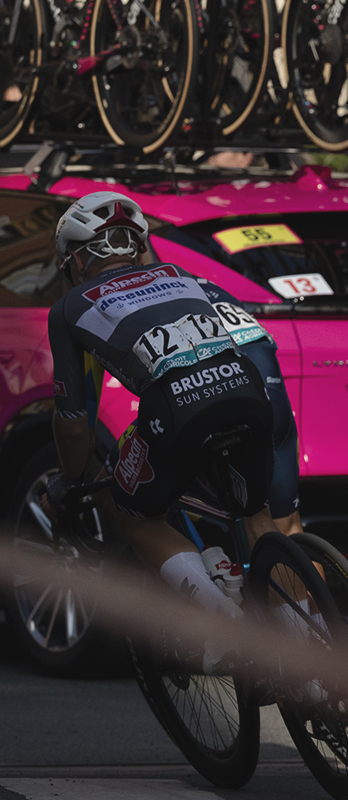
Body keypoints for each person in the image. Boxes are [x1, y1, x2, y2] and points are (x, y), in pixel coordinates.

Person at [45, 192, 277, 670]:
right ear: (138, 244)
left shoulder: (69, 306)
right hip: (250, 395)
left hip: (175, 410)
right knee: (257, 517)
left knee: (134, 514)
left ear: (76, 258)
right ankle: (316, 657)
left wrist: (70, 479)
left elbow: (72, 425)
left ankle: (220, 622)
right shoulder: (182, 276)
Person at [196, 279, 303, 535]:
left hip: (231, 398)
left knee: (258, 525)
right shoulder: (207, 284)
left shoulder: (138, 294)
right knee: (288, 527)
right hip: (272, 394)